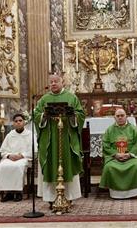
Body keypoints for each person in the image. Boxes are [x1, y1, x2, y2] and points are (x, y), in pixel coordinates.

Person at [34, 74, 85, 204]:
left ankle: (68, 196)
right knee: (51, 164)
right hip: (49, 141)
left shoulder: (71, 97)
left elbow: (80, 115)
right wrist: (43, 116)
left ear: (62, 82)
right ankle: (51, 198)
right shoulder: (44, 99)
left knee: (67, 164)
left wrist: (73, 115)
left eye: (56, 81)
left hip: (66, 139)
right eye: (51, 82)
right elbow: (36, 116)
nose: (53, 84)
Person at [99, 108, 137, 199]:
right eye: (118, 116)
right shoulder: (109, 130)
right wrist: (115, 154)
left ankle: (135, 192)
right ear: (114, 118)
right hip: (114, 158)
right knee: (109, 167)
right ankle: (115, 194)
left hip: (131, 157)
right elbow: (105, 145)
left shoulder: (134, 129)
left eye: (122, 115)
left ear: (126, 116)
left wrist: (129, 154)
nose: (120, 118)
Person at [0, 113, 35, 202]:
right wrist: (9, 155)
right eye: (16, 121)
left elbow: (34, 150)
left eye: (20, 121)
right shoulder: (10, 135)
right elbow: (3, 151)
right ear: (13, 123)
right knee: (2, 166)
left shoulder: (30, 134)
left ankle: (18, 192)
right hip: (11, 158)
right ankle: (8, 193)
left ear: (24, 122)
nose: (18, 123)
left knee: (17, 167)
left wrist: (21, 155)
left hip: (24, 158)